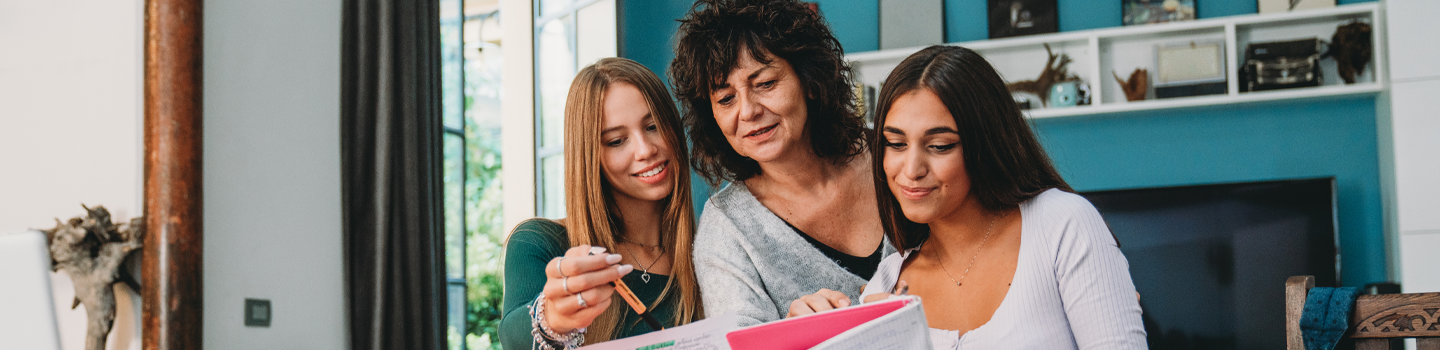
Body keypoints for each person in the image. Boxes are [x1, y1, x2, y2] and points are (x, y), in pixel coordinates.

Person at [856, 45, 1147, 349]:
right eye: (896, 143)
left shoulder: (1062, 225)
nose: (912, 170)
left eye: (940, 145)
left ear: (984, 144)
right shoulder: (886, 287)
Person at [669, 0, 894, 327]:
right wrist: (789, 334)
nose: (748, 112)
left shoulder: (894, 156)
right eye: (726, 98)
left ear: (809, 80)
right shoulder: (728, 229)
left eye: (765, 84)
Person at [499, 58, 703, 349]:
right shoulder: (540, 243)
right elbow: (513, 338)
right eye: (617, 141)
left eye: (654, 126)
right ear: (589, 157)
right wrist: (552, 318)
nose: (646, 150)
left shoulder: (709, 254)